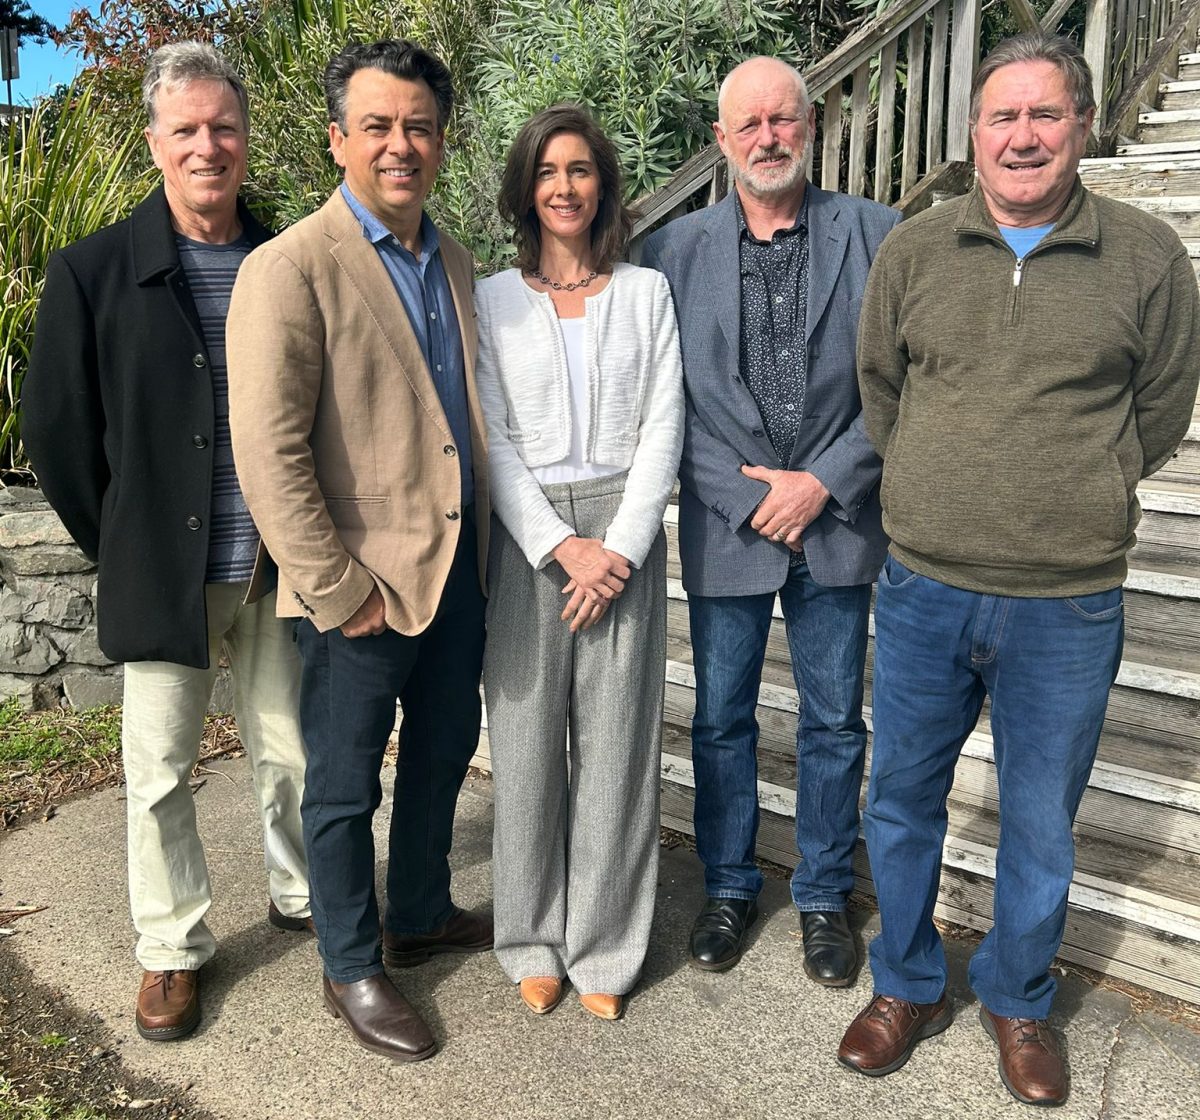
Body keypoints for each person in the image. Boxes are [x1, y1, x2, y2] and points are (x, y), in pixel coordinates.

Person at [839, 32, 1200, 1106]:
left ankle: (1018, 996)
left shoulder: (1145, 258)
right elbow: (880, 387)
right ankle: (906, 981)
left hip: (1068, 601)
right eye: (1004, 116)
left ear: (1083, 128)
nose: (1024, 135)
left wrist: (1082, 482)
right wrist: (937, 483)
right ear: (974, 133)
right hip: (923, 588)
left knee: (1042, 816)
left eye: (1046, 115)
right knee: (902, 796)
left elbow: (1162, 407)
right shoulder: (915, 251)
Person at [22, 42, 311, 1043]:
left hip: (278, 567)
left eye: (223, 127)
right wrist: (124, 538)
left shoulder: (287, 262)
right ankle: (172, 948)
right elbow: (57, 429)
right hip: (167, 573)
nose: (207, 146)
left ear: (244, 138)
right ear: (154, 142)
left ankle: (301, 894)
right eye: (185, 129)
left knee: (291, 752)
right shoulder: (96, 269)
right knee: (156, 770)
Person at [226, 39, 491, 1063]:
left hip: (456, 577)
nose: (400, 144)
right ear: (338, 138)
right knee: (342, 785)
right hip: (359, 590)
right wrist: (340, 591)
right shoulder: (288, 267)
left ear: (440, 139)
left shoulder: (455, 260)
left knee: (439, 757)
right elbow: (270, 450)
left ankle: (419, 907)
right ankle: (348, 962)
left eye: (419, 125)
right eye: (377, 125)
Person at [641, 57, 899, 984]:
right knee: (720, 721)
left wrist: (824, 480)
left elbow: (902, 383)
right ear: (721, 140)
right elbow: (662, 402)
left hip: (836, 524)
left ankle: (825, 896)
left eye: (782, 119)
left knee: (834, 722)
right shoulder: (669, 255)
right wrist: (754, 495)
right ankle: (729, 884)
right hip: (729, 526)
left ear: (812, 124)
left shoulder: (879, 234)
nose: (767, 137)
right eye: (747, 124)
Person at [476, 105, 684, 1021]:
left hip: (625, 535)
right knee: (524, 748)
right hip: (529, 544)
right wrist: (562, 547)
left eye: (581, 170)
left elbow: (664, 425)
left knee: (617, 751)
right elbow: (490, 438)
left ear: (603, 185)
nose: (564, 187)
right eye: (548, 172)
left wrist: (619, 549)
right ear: (527, 189)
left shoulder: (645, 293)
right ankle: (529, 937)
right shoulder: (488, 299)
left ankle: (603, 946)